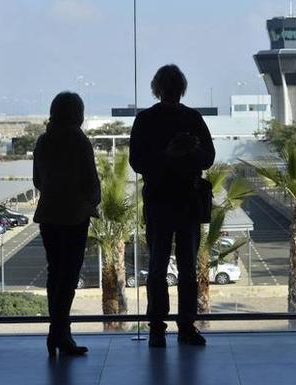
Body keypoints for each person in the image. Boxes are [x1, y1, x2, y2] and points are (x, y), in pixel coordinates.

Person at [129, 64, 215, 347]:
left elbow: (137, 163)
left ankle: (156, 328)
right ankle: (187, 326)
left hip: (157, 201)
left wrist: (164, 156)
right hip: (187, 201)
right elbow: (208, 159)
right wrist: (189, 151)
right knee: (188, 267)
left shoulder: (145, 120)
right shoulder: (193, 118)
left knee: (157, 266)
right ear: (182, 88)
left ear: (157, 88)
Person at [33, 91, 100, 356]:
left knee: (55, 274)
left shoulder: (43, 141)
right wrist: (92, 200)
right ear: (78, 114)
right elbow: (90, 183)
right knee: (69, 276)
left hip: (48, 214)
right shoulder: (79, 141)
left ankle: (57, 333)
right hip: (74, 215)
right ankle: (60, 334)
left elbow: (38, 181)